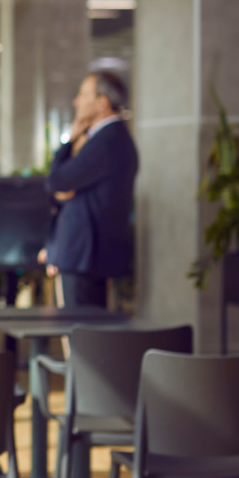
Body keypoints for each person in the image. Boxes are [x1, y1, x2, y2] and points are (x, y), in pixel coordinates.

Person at [39, 71, 139, 308]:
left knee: (80, 335)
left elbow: (55, 181)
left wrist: (70, 141)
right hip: (89, 254)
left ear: (102, 102)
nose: (77, 101)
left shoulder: (106, 141)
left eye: (83, 95)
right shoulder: (114, 139)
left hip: (84, 256)